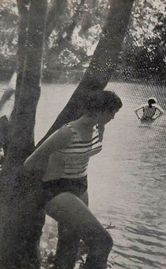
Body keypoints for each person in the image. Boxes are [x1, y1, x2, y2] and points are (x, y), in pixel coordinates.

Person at [23, 91, 122, 269]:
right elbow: (31, 163)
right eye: (112, 112)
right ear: (100, 110)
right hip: (58, 190)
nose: (113, 117)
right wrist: (50, 179)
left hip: (81, 186)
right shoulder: (67, 132)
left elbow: (88, 150)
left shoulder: (97, 127)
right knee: (102, 242)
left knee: (70, 246)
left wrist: (102, 130)